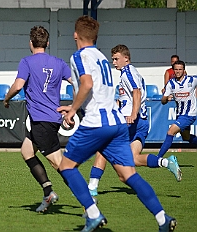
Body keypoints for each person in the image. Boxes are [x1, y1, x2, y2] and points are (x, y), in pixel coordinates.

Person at [57, 15, 176, 232]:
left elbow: (87, 83)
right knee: (127, 174)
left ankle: (93, 214)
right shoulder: (103, 58)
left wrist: (73, 109)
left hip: (96, 123)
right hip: (117, 124)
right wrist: (76, 105)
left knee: (66, 166)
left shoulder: (78, 56)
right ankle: (162, 218)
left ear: (76, 35)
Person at [86, 45, 182, 197]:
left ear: (126, 58)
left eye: (116, 59)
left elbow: (136, 93)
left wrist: (132, 113)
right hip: (142, 123)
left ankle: (92, 187)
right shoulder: (131, 73)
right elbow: (128, 98)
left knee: (103, 147)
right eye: (113, 59)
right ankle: (165, 162)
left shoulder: (127, 73)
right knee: (133, 160)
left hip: (131, 122)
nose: (114, 62)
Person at [3, 25, 74, 213]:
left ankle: (87, 198)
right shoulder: (59, 62)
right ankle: (48, 192)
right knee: (27, 151)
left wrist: (6, 98)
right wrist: (74, 108)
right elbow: (78, 82)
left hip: (43, 120)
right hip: (47, 119)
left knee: (59, 163)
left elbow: (18, 86)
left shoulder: (27, 61)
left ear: (30, 43)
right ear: (48, 43)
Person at [157, 60, 197, 158]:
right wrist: (166, 98)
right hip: (180, 114)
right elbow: (163, 101)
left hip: (189, 114)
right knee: (186, 137)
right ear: (173, 70)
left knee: (170, 131)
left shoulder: (192, 80)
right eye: (176, 69)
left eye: (180, 69)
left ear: (184, 70)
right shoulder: (171, 83)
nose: (178, 71)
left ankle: (158, 158)